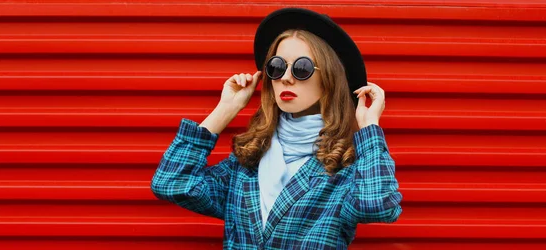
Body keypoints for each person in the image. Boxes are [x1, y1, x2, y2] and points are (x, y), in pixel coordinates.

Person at [151, 7, 402, 249]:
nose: (285, 77)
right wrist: (226, 109)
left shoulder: (344, 172)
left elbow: (379, 205)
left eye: (302, 68)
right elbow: (172, 182)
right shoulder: (246, 166)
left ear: (329, 79)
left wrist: (369, 127)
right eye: (277, 66)